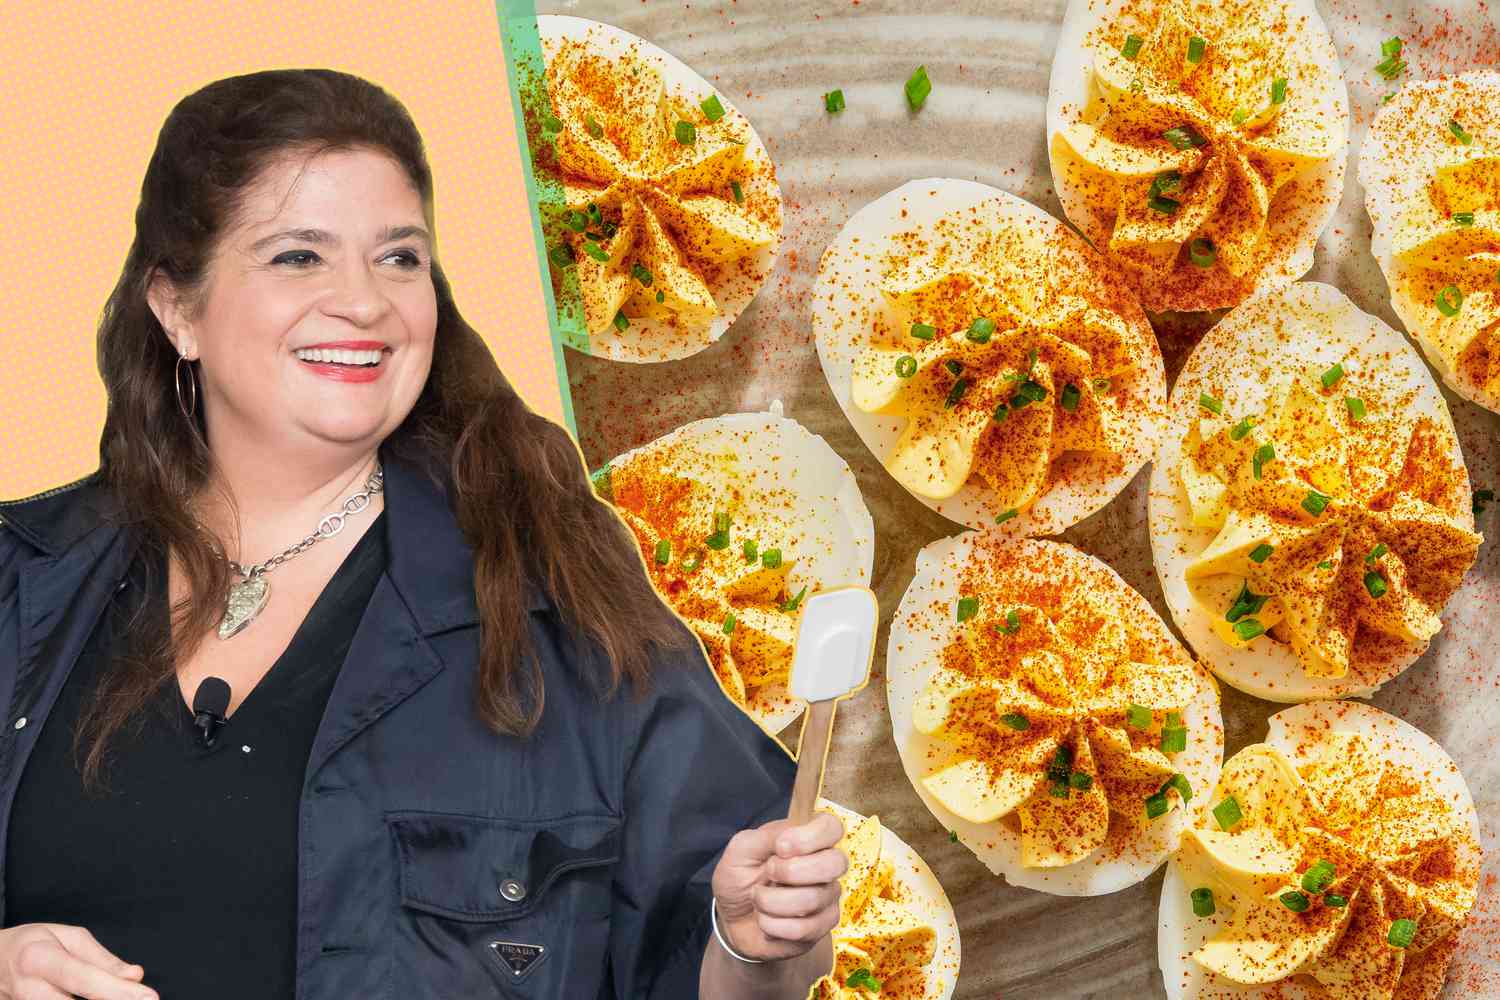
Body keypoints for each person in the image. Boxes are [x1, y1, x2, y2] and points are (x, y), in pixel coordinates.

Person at [0, 68, 844, 999]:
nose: (364, 302)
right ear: (176, 308)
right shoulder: (18, 580)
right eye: (298, 257)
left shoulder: (553, 594)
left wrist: (749, 941)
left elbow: (727, 949)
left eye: (399, 258)